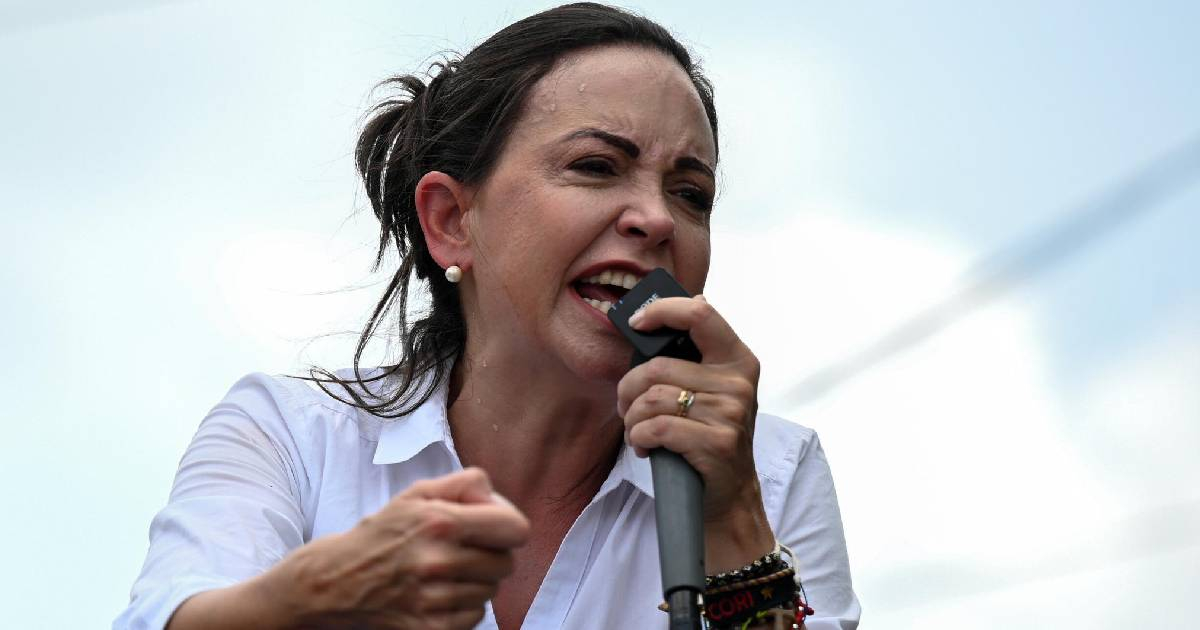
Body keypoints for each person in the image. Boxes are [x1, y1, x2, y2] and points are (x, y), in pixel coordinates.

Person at [116, 3, 860, 629]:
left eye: (691, 192)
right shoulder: (288, 435)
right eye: (596, 167)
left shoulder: (772, 471)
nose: (654, 218)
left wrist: (731, 518)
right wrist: (319, 595)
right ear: (450, 220)